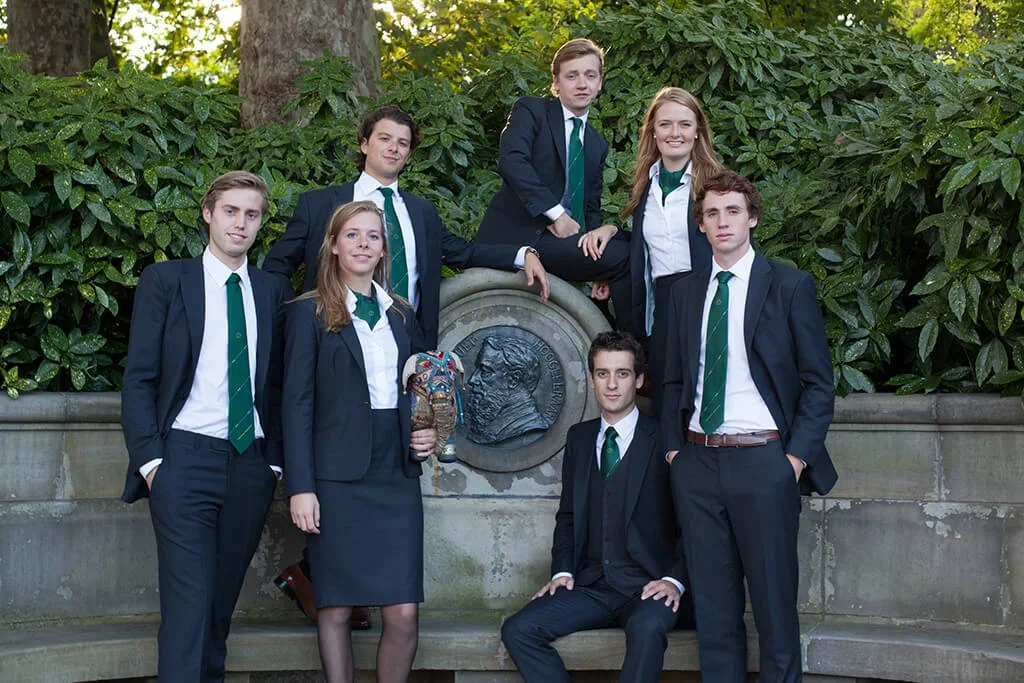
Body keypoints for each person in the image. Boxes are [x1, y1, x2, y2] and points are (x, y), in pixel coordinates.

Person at [661, 171, 838, 682]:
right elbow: (672, 380)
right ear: (700, 224)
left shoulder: (789, 285)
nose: (723, 222)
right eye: (712, 213)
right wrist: (675, 453)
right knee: (714, 615)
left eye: (733, 211)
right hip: (697, 463)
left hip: (764, 462)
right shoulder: (683, 292)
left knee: (774, 609)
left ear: (752, 218)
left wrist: (794, 460)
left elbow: (818, 383)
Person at [120, 171, 287, 682]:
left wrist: (273, 465)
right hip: (183, 461)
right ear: (208, 213)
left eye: (252, 214)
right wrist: (153, 463)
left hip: (250, 465)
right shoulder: (167, 281)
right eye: (231, 211)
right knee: (188, 608)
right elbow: (140, 378)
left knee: (217, 611)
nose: (241, 223)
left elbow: (280, 384)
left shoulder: (272, 290)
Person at [282, 200, 437, 683]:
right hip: (335, 477)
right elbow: (296, 404)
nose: (363, 244)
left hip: (395, 473)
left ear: (384, 248)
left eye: (373, 236)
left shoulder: (401, 314)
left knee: (404, 613)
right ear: (333, 245)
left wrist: (425, 428)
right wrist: (300, 487)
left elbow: (415, 389)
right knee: (335, 608)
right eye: (352, 235)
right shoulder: (307, 312)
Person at [263, 104, 549, 350]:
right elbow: (277, 267)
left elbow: (463, 252)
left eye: (403, 143)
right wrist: (299, 320)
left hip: (408, 342)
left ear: (408, 154)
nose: (393, 148)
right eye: (385, 138)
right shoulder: (319, 205)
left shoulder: (422, 212)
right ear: (364, 145)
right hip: (335, 339)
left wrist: (521, 255)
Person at [501, 331, 693, 682]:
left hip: (649, 587)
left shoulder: (666, 440)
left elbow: (693, 522)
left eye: (622, 373)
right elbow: (568, 516)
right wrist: (562, 571)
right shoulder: (579, 438)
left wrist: (674, 580)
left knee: (647, 629)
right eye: (603, 374)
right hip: (591, 587)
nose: (612, 384)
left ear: (639, 379)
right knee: (519, 630)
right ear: (591, 380)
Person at [475, 38, 633, 333]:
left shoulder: (596, 143)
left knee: (632, 245)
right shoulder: (532, 111)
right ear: (556, 83)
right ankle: (631, 349)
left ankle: (619, 342)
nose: (582, 83)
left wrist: (598, 259)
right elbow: (512, 161)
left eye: (590, 75)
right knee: (626, 256)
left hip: (565, 243)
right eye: (572, 76)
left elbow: (591, 207)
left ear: (600, 83)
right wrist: (556, 214)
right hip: (523, 237)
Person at [585, 87, 723, 414]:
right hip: (661, 305)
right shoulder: (645, 186)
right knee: (665, 399)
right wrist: (612, 231)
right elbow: (650, 242)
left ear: (697, 131)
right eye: (665, 124)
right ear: (653, 132)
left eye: (684, 124)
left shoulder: (716, 186)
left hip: (707, 296)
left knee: (707, 395)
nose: (675, 133)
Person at [464, 336, 551, 445]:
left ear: (513, 380)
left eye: (485, 371)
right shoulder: (489, 422)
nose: (472, 379)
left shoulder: (529, 427)